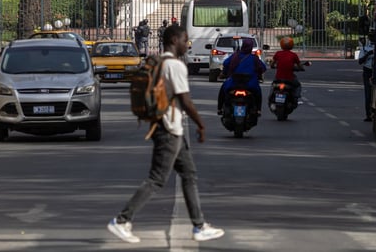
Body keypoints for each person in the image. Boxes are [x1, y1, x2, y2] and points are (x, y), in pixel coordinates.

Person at [107, 24, 224, 244]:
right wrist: (201, 124)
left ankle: (199, 226)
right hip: (168, 129)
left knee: (189, 174)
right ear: (173, 40)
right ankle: (122, 220)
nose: (187, 44)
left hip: (170, 128)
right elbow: (185, 100)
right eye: (184, 40)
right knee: (157, 179)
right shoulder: (175, 66)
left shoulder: (159, 62)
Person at [217, 38, 267, 114]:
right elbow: (263, 68)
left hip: (233, 84)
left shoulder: (235, 56)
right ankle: (258, 110)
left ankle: (219, 109)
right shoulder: (254, 58)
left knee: (222, 91)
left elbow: (225, 63)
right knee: (258, 93)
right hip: (250, 85)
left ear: (242, 46)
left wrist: (224, 73)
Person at [269, 36, 306, 101]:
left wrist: (273, 66)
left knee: (273, 85)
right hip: (289, 78)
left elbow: (272, 64)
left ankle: (270, 97)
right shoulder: (293, 55)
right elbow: (300, 66)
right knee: (298, 85)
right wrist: (301, 68)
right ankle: (296, 97)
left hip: (278, 78)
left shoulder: (278, 53)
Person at [357, 36, 375, 121]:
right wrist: (368, 54)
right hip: (368, 71)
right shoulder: (365, 48)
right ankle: (368, 114)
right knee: (368, 94)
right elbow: (360, 61)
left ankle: (374, 112)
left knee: (374, 93)